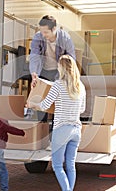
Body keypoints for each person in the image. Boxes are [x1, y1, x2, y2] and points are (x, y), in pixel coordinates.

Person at [28, 55, 86, 191]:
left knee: (57, 166)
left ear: (62, 68)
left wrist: (32, 104)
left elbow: (44, 105)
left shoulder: (58, 85)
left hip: (61, 129)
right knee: (70, 165)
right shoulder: (81, 87)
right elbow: (82, 109)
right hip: (76, 130)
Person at [29, 15, 76, 122]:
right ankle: (41, 127)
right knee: (41, 97)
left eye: (46, 32)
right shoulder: (38, 37)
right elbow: (34, 55)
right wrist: (34, 73)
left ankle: (56, 125)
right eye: (41, 31)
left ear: (54, 29)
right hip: (44, 70)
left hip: (59, 72)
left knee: (58, 99)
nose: (43, 34)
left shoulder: (65, 38)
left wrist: (69, 78)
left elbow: (71, 59)